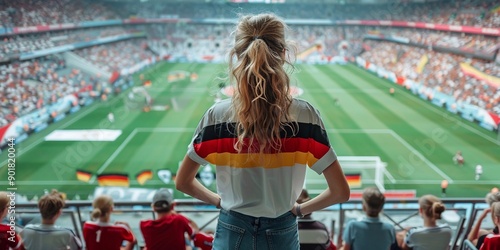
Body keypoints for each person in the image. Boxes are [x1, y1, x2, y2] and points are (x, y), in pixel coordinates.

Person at [175, 13, 350, 250]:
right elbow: (340, 192)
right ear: (283, 54)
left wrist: (220, 202)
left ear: (238, 55)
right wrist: (299, 209)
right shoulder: (306, 116)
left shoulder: (216, 116)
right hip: (282, 231)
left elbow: (183, 182)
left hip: (230, 228)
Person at [140, 188, 213, 250]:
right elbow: (195, 235)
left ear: (153, 207)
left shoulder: (144, 225)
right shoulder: (179, 220)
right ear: (173, 206)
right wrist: (181, 216)